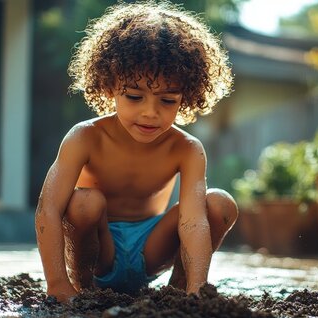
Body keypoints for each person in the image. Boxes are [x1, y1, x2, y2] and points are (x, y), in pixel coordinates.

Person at [35, 1, 237, 302]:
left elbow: (193, 220)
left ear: (187, 96)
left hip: (151, 248)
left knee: (220, 203)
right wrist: (56, 283)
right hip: (100, 251)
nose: (150, 113)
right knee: (83, 202)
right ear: (108, 86)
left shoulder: (187, 149)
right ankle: (85, 290)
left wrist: (199, 288)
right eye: (134, 96)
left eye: (167, 101)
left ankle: (182, 292)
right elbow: (48, 208)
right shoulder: (84, 137)